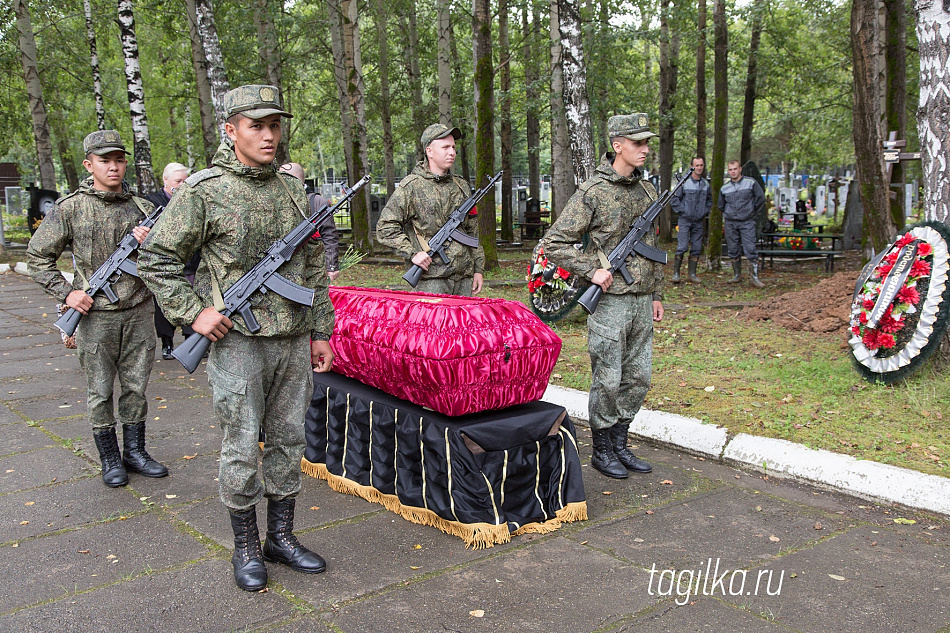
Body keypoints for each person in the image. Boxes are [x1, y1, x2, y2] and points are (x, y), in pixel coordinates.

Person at [137, 85, 336, 592]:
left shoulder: (292, 189)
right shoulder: (203, 191)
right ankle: (246, 544)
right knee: (242, 443)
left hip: (292, 338)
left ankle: (282, 537)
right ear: (231, 130)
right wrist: (192, 313)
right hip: (238, 340)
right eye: (257, 125)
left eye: (275, 125)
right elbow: (156, 259)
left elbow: (312, 267)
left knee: (290, 439)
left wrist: (320, 331)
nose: (269, 135)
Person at [26, 130, 168, 488]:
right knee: (100, 390)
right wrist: (68, 292)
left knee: (136, 387)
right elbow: (37, 257)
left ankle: (135, 452)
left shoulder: (143, 208)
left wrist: (150, 245)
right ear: (89, 165)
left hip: (137, 311)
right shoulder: (69, 207)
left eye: (119, 159)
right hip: (95, 315)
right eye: (105, 161)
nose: (114, 167)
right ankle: (109, 457)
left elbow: (166, 260)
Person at [541, 113, 664, 480]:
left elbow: (654, 245)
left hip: (641, 300)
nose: (644, 149)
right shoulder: (592, 192)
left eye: (646, 143)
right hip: (609, 302)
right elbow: (554, 243)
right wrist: (592, 269)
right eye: (638, 143)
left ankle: (621, 442)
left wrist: (656, 293)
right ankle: (602, 448)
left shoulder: (647, 190)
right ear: (617, 146)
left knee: (638, 377)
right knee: (608, 378)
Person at [376, 123, 485, 296]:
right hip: (432, 279)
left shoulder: (461, 185)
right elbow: (385, 227)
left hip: (463, 277)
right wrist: (412, 254)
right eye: (445, 147)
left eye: (454, 147)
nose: (452, 152)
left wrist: (478, 269)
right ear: (429, 151)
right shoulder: (411, 186)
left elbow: (472, 231)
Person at [145, 162, 198, 358]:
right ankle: (166, 343)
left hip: (191, 263)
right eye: (178, 181)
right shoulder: (152, 202)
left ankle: (191, 343)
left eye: (185, 180)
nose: (182, 185)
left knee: (192, 301)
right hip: (165, 263)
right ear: (165, 181)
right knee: (162, 307)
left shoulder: (192, 200)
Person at [278, 162, 342, 282]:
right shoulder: (278, 202)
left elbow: (329, 236)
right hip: (282, 267)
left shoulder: (317, 202)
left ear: (296, 180)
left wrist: (331, 266)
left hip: (312, 270)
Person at [719, 160, 766, 288]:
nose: (733, 171)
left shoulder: (750, 183)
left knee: (750, 248)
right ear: (728, 171)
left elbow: (760, 198)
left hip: (747, 221)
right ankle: (737, 275)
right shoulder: (725, 188)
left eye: (735, 169)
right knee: (733, 249)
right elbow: (721, 205)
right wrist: (730, 214)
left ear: (740, 169)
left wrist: (751, 212)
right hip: (731, 222)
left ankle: (754, 277)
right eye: (730, 169)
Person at [669, 156, 711, 284]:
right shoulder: (684, 182)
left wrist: (704, 211)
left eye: (701, 165)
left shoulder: (705, 184)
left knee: (697, 248)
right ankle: (676, 273)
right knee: (682, 246)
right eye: (697, 165)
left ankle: (692, 274)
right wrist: (684, 211)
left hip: (699, 221)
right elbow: (674, 199)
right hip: (685, 220)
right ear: (692, 166)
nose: (699, 168)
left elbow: (710, 201)